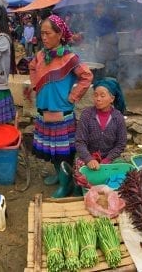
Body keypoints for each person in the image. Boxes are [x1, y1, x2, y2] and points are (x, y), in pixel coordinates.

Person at [29, 14, 93, 198]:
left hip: (61, 114)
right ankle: (59, 177)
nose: (44, 37)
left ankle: (66, 185)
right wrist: (35, 85)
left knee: (63, 153)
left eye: (48, 33)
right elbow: (32, 67)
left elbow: (86, 76)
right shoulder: (40, 55)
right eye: (42, 33)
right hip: (44, 112)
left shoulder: (70, 58)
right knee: (52, 150)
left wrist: (73, 97)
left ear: (59, 34)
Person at [74, 78, 127, 188]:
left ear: (112, 98)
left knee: (119, 175)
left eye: (102, 96)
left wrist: (107, 159)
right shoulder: (87, 115)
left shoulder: (118, 117)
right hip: (89, 157)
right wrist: (89, 159)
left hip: (110, 158)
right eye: (95, 95)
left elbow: (121, 144)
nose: (98, 99)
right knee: (82, 172)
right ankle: (81, 189)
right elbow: (80, 141)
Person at [91, 1, 119, 78]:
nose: (99, 9)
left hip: (110, 47)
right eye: (97, 7)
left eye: (101, 7)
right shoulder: (95, 19)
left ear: (104, 9)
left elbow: (105, 32)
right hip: (102, 48)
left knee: (111, 67)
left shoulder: (107, 19)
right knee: (101, 66)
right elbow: (94, 32)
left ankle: (112, 82)